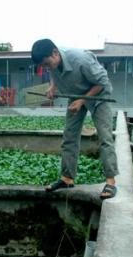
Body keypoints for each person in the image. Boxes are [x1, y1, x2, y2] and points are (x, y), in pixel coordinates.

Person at [31, 39, 118, 199]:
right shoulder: (53, 62)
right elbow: (54, 73)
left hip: (99, 95)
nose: (46, 68)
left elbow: (102, 82)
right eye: (43, 66)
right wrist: (52, 86)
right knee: (69, 136)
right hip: (75, 94)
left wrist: (83, 100)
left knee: (105, 137)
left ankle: (111, 182)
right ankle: (67, 178)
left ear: (55, 53)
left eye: (47, 64)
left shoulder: (80, 59)